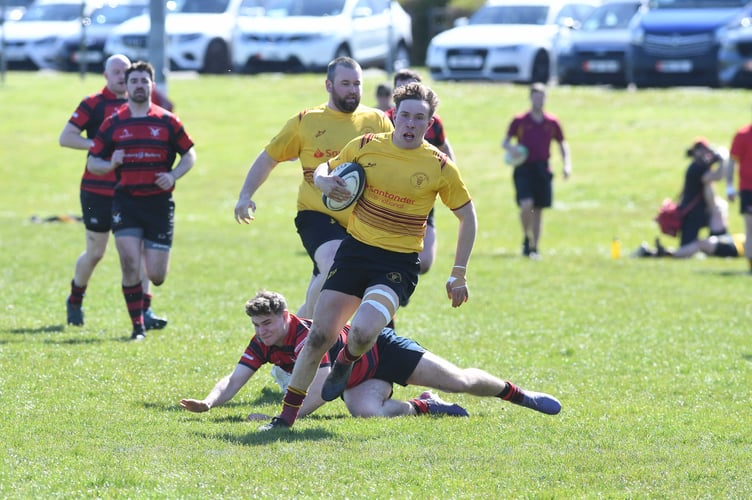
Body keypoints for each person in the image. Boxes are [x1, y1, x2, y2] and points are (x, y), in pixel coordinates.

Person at [260, 82, 478, 430]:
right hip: (355, 254)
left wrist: (459, 273)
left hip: (395, 265)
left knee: (361, 334)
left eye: (418, 118)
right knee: (318, 336)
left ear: (429, 123)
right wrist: (323, 181)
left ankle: (346, 362)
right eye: (404, 116)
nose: (409, 124)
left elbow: (468, 216)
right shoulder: (364, 146)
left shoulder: (439, 165)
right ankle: (284, 419)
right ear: (393, 116)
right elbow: (323, 168)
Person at [179, 291, 560, 420]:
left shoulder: (310, 335)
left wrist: (281, 418)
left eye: (266, 323)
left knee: (459, 380)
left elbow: (323, 385)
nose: (260, 331)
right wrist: (210, 403)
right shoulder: (262, 342)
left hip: (383, 351)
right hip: (361, 379)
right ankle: (426, 406)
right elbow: (233, 378)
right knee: (367, 413)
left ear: (285, 316)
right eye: (256, 325)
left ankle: (520, 394)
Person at [233, 57, 393, 318]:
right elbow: (269, 157)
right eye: (345, 84)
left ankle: (298, 337)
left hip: (361, 221)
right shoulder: (306, 121)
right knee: (335, 263)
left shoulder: (377, 121)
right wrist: (245, 195)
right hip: (316, 215)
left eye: (357, 84)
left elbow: (393, 165)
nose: (353, 90)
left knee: (333, 291)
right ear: (328, 85)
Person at [86, 61, 196, 340]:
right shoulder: (114, 123)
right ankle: (138, 327)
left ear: (152, 86)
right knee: (129, 262)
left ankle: (144, 308)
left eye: (143, 81)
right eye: (133, 81)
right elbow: (93, 162)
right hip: (126, 202)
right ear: (127, 85)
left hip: (159, 205)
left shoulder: (168, 121)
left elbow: (189, 155)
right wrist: (111, 162)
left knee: (156, 275)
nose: (138, 85)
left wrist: (173, 176)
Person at [59, 54, 167, 331]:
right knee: (96, 252)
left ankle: (145, 311)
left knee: (139, 250)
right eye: (116, 72)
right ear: (106, 75)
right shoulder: (93, 104)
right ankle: (75, 299)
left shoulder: (144, 105)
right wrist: (100, 146)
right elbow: (66, 137)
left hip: (133, 193)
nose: (121, 76)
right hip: (98, 190)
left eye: (125, 71)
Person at [385, 68, 457, 274]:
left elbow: (444, 148)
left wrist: (452, 178)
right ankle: (390, 283)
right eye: (399, 88)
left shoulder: (433, 123)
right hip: (388, 194)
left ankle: (398, 282)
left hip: (421, 193)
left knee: (424, 263)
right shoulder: (383, 120)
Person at [502, 82, 571, 259]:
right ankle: (526, 236)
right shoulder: (520, 121)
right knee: (526, 205)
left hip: (542, 168)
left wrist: (566, 165)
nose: (538, 100)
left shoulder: (552, 122)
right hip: (524, 168)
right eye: (535, 96)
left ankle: (534, 247)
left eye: (541, 97)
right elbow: (505, 142)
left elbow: (562, 143)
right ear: (530, 98)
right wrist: (513, 150)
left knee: (539, 209)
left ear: (545, 99)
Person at [727, 120, 752, 273]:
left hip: (747, 189)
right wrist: (729, 185)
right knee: (750, 230)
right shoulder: (743, 135)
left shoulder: (743, 134)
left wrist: (729, 185)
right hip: (748, 189)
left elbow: (731, 161)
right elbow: (732, 160)